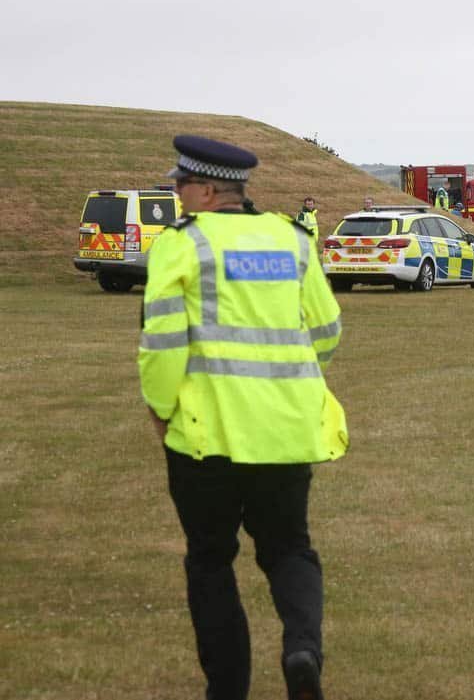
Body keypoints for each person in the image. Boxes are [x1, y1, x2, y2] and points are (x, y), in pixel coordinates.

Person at [139, 135, 348, 700]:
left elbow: (162, 343)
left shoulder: (182, 243)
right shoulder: (293, 239)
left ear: (207, 190)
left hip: (205, 438)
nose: (177, 195)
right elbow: (327, 332)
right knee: (289, 549)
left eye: (182, 185)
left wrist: (160, 409)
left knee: (210, 561)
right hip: (285, 432)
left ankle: (227, 689)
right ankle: (302, 649)